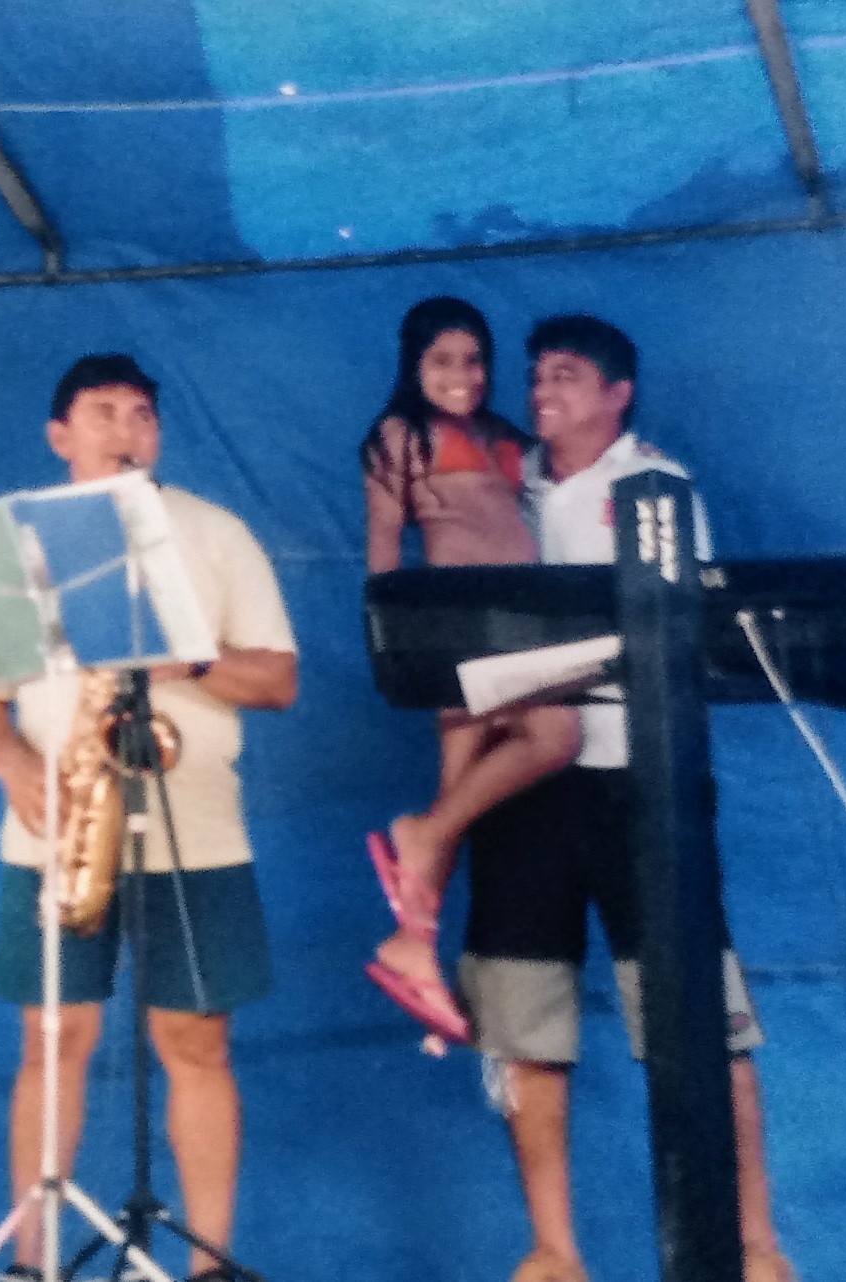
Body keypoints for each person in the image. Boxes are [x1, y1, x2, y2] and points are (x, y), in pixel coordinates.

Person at [459, 316, 793, 1282]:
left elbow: (686, 629)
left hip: (643, 778)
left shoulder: (657, 486)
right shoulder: (502, 483)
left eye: (566, 375)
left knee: (701, 1019)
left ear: (618, 393)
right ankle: (554, 1251)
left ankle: (755, 1244)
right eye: (535, 375)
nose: (542, 389)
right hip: (527, 782)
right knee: (524, 1022)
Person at [0, 354, 297, 1281]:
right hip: (56, 830)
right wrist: (14, 765)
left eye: (142, 413)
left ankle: (209, 1267)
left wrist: (191, 661)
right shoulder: (16, 546)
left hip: (197, 832)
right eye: (103, 411)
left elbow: (278, 680)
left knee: (197, 1042)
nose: (126, 429)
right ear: (58, 435)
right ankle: (31, 1264)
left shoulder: (215, 533)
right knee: (52, 1041)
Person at [359, 297, 580, 1045]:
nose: (462, 375)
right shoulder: (400, 436)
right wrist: (397, 644)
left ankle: (413, 947)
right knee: (555, 735)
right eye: (442, 361)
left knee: (462, 786)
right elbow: (384, 547)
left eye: (475, 360)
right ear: (413, 366)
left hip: (523, 621)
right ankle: (424, 837)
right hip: (456, 624)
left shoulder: (509, 437)